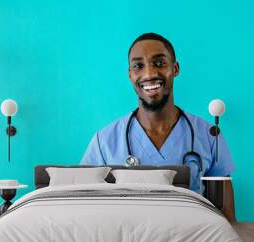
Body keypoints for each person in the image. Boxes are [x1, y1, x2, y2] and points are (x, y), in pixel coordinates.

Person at [80, 32, 235, 196]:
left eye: (159, 63)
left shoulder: (209, 137)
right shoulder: (104, 142)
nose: (149, 74)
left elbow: (224, 215)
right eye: (138, 66)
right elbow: (84, 206)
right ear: (130, 75)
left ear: (175, 69)